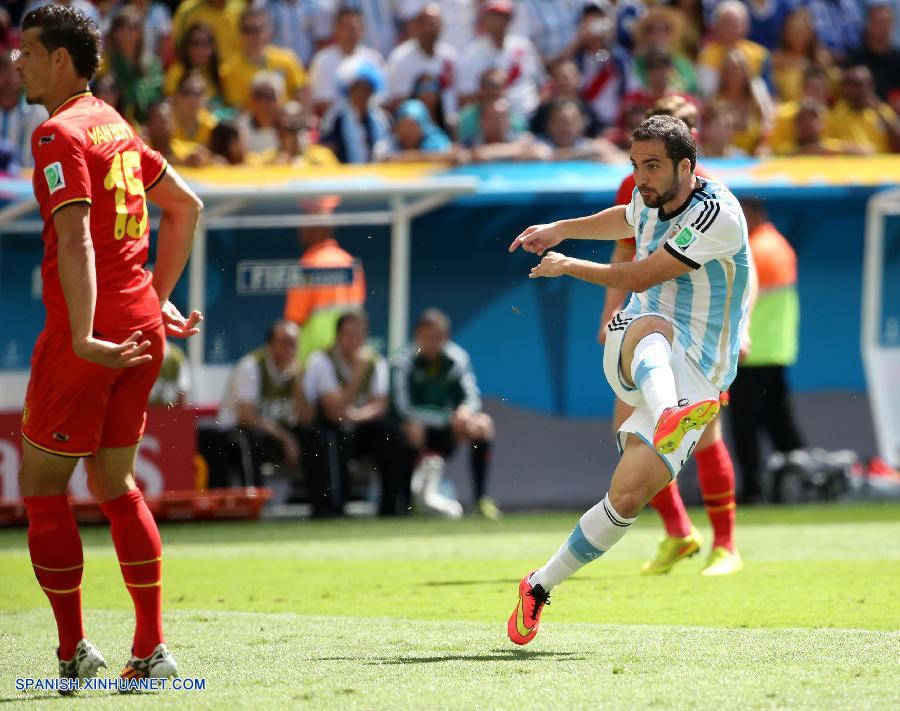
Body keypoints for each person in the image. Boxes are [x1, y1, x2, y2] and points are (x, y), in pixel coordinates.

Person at [506, 114, 751, 645]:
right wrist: (562, 228)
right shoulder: (651, 196)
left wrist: (567, 263)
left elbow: (640, 271)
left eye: (653, 165)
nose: (641, 177)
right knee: (654, 323)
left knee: (628, 495)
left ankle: (539, 584)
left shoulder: (718, 216)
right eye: (636, 164)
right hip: (637, 338)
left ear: (687, 166)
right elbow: (627, 218)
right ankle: (667, 414)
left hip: (700, 376)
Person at [14, 3, 204, 681]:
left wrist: (86, 333)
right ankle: (150, 648)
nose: (16, 62)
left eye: (27, 51)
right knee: (114, 482)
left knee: (42, 488)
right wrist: (153, 296)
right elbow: (186, 206)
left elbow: (75, 242)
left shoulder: (57, 135)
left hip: (87, 338)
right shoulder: (115, 125)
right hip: (143, 329)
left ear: (59, 59)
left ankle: (72, 651)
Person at [729, 199, 806, 504]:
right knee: (778, 422)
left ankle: (753, 490)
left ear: (755, 215)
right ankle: (803, 483)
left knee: (745, 427)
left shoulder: (757, 249)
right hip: (774, 349)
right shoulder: (778, 245)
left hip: (753, 353)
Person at [391, 308, 500, 520]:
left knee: (482, 425)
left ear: (446, 336)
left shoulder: (456, 358)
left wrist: (465, 412)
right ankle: (404, 503)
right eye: (427, 337)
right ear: (417, 335)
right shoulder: (402, 361)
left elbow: (471, 397)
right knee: (413, 429)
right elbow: (403, 408)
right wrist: (447, 418)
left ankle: (480, 500)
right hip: (409, 432)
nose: (432, 343)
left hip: (447, 431)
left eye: (438, 337)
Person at [303, 311, 409, 517]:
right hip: (329, 427)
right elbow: (333, 408)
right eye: (349, 334)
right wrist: (358, 374)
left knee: (392, 434)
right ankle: (333, 508)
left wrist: (356, 416)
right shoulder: (321, 360)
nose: (355, 340)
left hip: (358, 424)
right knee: (330, 438)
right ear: (338, 336)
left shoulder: (375, 361)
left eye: (360, 335)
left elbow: (380, 405)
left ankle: (392, 506)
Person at [215, 320, 310, 487]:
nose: (290, 350)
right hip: (234, 432)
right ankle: (253, 494)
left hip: (273, 432)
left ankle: (320, 498)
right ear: (270, 345)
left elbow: (307, 419)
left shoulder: (297, 371)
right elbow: (247, 417)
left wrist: (298, 386)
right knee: (251, 438)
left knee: (315, 436)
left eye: (294, 344)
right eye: (285, 343)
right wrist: (286, 439)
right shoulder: (251, 366)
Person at [283, 198, 367, 362]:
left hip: (313, 358)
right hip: (347, 359)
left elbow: (293, 322)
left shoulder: (308, 265)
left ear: (322, 229)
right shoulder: (350, 263)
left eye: (305, 225)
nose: (300, 231)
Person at [220, 5, 307, 111]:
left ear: (268, 31)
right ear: (239, 33)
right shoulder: (229, 70)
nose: (252, 35)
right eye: (247, 30)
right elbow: (238, 108)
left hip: (288, 118)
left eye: (257, 30)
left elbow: (302, 94)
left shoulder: (287, 59)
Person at [824, 65, 900, 154]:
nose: (851, 88)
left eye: (857, 84)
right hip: (848, 162)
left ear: (870, 86)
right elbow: (822, 142)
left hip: (879, 161)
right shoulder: (835, 113)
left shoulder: (883, 111)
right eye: (847, 83)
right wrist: (846, 147)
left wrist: (879, 112)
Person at [148, 340, 191, 408]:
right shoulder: (143, 355)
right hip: (147, 408)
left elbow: (183, 388)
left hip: (170, 408)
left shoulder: (176, 358)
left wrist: (180, 412)